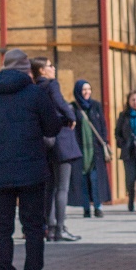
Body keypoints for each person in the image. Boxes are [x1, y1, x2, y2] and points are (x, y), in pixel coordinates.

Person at [0, 48, 66, 270]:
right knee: (34, 228)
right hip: (33, 170)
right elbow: (52, 126)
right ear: (26, 70)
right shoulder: (36, 95)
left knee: (2, 230)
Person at [34, 58, 82, 241]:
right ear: (41, 70)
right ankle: (60, 228)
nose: (53, 68)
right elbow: (60, 103)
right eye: (49, 66)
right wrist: (71, 116)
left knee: (50, 188)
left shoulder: (34, 88)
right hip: (61, 138)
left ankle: (51, 228)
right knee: (62, 188)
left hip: (46, 141)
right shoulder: (51, 85)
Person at [69, 79, 112, 217]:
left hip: (96, 150)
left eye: (89, 89)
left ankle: (98, 207)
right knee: (82, 180)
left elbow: (102, 126)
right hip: (80, 150)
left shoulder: (96, 106)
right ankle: (86, 208)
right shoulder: (73, 108)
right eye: (84, 90)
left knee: (95, 179)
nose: (87, 92)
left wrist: (105, 141)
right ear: (78, 91)